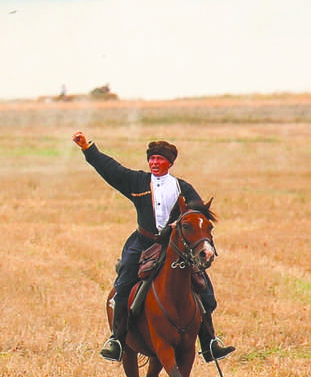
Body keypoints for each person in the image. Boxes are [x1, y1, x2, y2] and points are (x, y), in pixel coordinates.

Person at [72, 132, 235, 364]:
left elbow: (199, 219)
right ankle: (117, 340)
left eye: (160, 159)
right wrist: (87, 148)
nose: (154, 163)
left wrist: (202, 243)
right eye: (152, 159)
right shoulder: (138, 182)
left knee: (203, 289)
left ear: (170, 162)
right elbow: (112, 170)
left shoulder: (183, 188)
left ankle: (209, 342)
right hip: (142, 244)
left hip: (175, 248)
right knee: (123, 286)